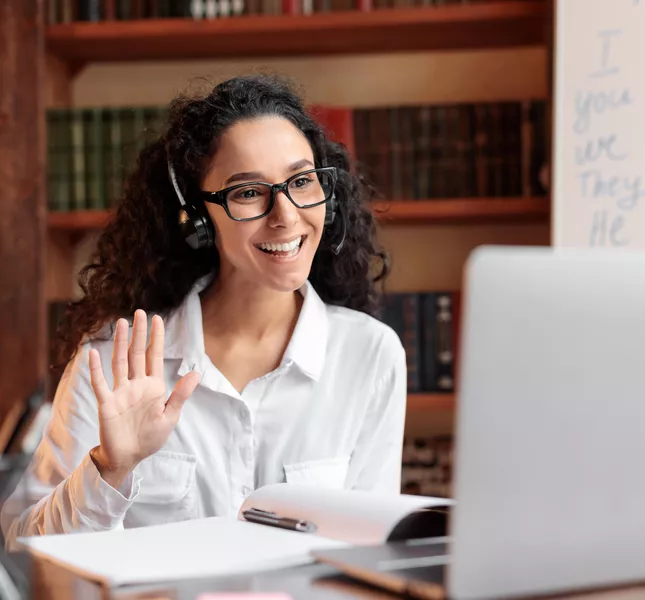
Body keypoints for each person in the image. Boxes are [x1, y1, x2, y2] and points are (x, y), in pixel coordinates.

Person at [1, 74, 407, 550]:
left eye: (301, 181)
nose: (286, 215)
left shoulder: (371, 355)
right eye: (248, 193)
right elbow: (21, 551)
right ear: (197, 219)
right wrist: (109, 469)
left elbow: (379, 552)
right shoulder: (114, 359)